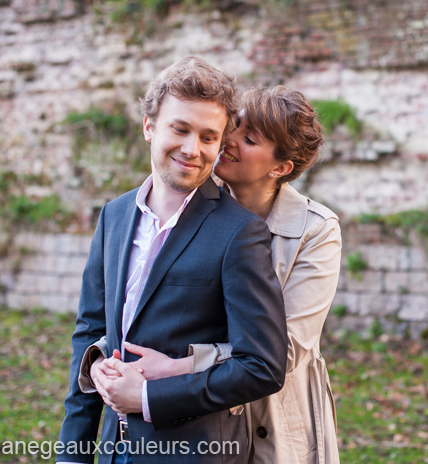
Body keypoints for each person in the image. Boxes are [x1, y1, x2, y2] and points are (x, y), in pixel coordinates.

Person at [56, 57, 287, 464]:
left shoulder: (239, 232)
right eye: (179, 129)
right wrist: (72, 453)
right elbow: (90, 330)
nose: (192, 149)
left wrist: (148, 397)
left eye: (207, 137)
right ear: (149, 127)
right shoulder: (114, 215)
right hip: (113, 449)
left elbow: (262, 366)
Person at [99, 86, 342, 464]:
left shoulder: (316, 230)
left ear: (280, 168)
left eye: (249, 139)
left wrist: (180, 367)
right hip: (198, 415)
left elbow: (287, 348)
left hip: (273, 415)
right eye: (235, 127)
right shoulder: (188, 206)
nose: (229, 141)